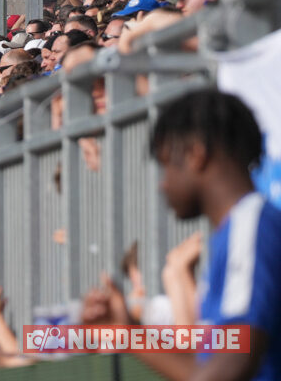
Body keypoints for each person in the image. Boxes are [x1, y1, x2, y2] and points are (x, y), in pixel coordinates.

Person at [83, 90, 281, 380]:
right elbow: (209, 361)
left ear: (196, 155)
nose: (163, 185)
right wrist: (127, 333)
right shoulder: (239, 231)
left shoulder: (251, 227)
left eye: (166, 165)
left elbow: (225, 370)